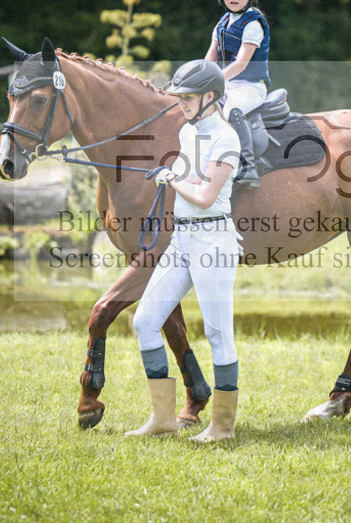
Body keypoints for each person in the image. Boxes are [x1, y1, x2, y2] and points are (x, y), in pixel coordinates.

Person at [126, 59, 243, 442]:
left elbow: (207, 196)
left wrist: (173, 180)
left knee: (217, 332)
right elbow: (189, 176)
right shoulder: (189, 133)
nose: (182, 103)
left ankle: (222, 427)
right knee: (145, 321)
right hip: (183, 239)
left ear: (210, 96)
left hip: (213, 240)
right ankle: (162, 418)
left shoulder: (227, 138)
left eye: (188, 97)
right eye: (179, 97)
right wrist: (172, 174)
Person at [204, 0, 270, 188]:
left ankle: (248, 167)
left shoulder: (254, 23)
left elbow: (241, 64)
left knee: (232, 108)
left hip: (251, 86)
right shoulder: (222, 22)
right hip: (227, 83)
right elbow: (210, 58)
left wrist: (214, 79)